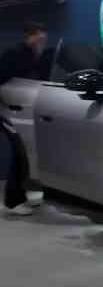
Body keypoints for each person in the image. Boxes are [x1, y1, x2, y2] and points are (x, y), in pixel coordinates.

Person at [0, 21, 53, 216]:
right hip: (9, 111)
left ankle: (25, 194)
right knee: (20, 153)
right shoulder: (15, 54)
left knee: (26, 154)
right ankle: (13, 202)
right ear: (32, 35)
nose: (43, 37)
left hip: (22, 110)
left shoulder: (36, 54)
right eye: (40, 33)